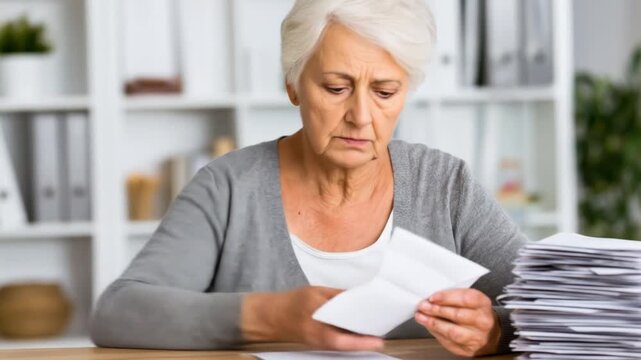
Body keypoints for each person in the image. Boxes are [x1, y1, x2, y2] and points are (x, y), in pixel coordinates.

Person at [90, 0, 527, 357]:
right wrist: (272, 316)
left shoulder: (445, 186)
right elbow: (118, 313)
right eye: (336, 88)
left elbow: (549, 310)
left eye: (385, 92)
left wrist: (493, 333)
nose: (360, 117)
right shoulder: (228, 189)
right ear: (293, 85)